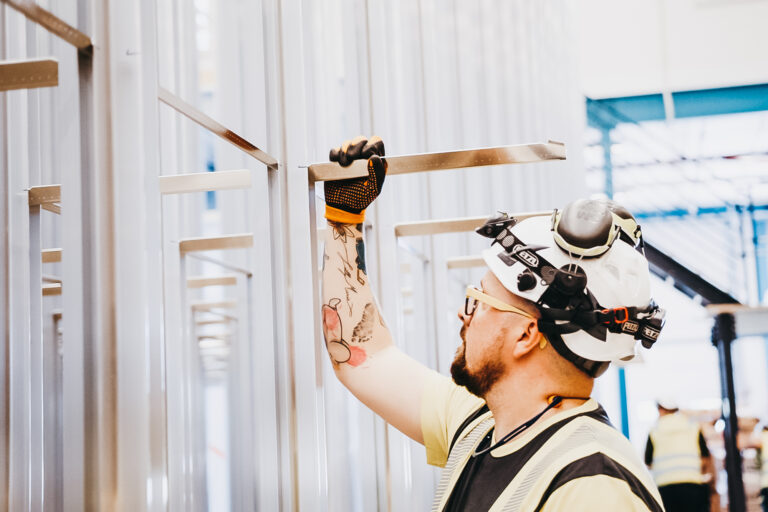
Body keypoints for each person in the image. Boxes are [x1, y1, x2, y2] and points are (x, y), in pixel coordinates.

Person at [320, 136, 667, 511]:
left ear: (526, 334)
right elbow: (365, 357)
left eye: (478, 301)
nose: (463, 314)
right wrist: (344, 220)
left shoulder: (593, 486)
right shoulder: (483, 426)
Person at [644, 398, 717, 512]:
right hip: (692, 486)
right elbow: (705, 458)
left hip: (665, 489)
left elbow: (648, 463)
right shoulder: (692, 426)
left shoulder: (655, 430)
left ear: (661, 410)